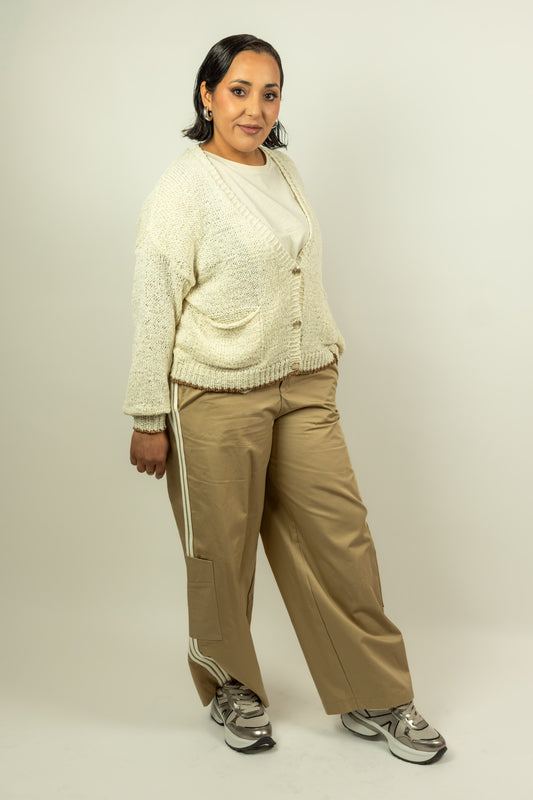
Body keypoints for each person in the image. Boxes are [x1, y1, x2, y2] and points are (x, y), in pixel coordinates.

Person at [123, 33, 447, 763]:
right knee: (221, 553)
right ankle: (230, 686)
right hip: (213, 392)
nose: (255, 108)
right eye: (239, 91)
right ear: (207, 96)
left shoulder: (284, 170)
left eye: (269, 94)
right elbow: (154, 303)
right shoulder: (182, 187)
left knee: (341, 537)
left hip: (302, 385)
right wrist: (147, 415)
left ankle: (373, 694)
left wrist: (319, 354)